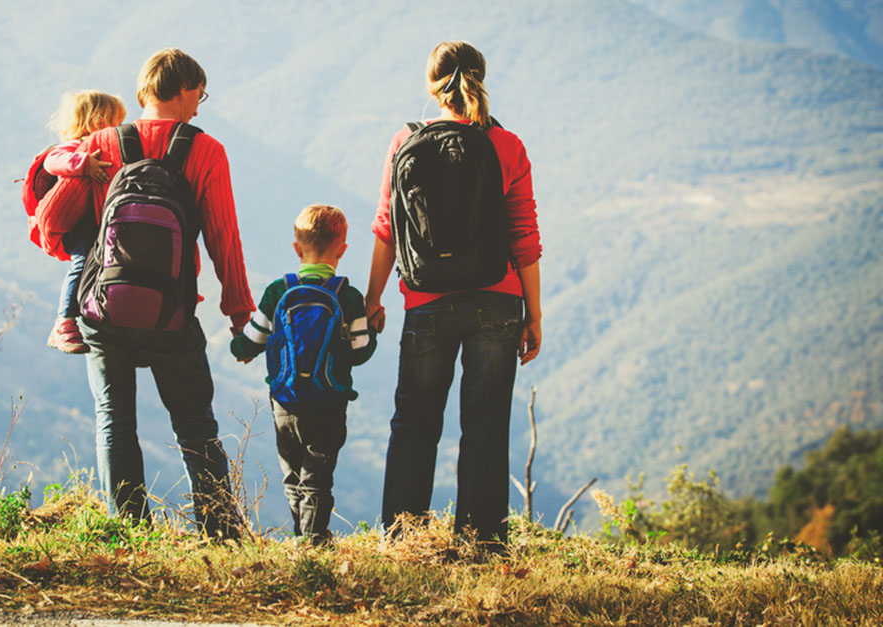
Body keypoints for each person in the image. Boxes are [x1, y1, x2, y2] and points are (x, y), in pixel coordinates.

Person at [64, 48, 255, 539]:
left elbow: (57, 223)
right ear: (186, 89)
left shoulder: (103, 143)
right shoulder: (206, 150)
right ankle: (221, 531)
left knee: (114, 421)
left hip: (104, 312)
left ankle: (128, 533)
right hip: (171, 314)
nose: (200, 105)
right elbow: (223, 238)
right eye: (200, 95)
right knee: (195, 425)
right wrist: (238, 312)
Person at [365, 40, 543, 548]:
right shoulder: (506, 144)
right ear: (481, 79)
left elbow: (386, 228)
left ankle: (403, 540)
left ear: (431, 85)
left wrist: (373, 299)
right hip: (498, 300)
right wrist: (534, 313)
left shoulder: (405, 141)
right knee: (485, 426)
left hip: (426, 302)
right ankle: (482, 543)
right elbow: (523, 234)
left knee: (415, 424)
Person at [230, 204, 377, 544]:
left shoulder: (277, 292)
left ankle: (303, 535)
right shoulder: (349, 297)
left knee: (293, 475)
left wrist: (238, 348)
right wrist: (374, 329)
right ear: (342, 250)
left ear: (296, 248)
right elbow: (360, 353)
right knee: (318, 477)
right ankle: (313, 541)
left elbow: (249, 344)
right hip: (330, 402)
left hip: (285, 403)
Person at [41, 90, 126, 354]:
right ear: (97, 121)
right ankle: (64, 321)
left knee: (97, 264)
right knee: (81, 264)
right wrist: (83, 163)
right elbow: (51, 161)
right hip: (79, 222)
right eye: (115, 122)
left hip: (98, 219)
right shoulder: (72, 146)